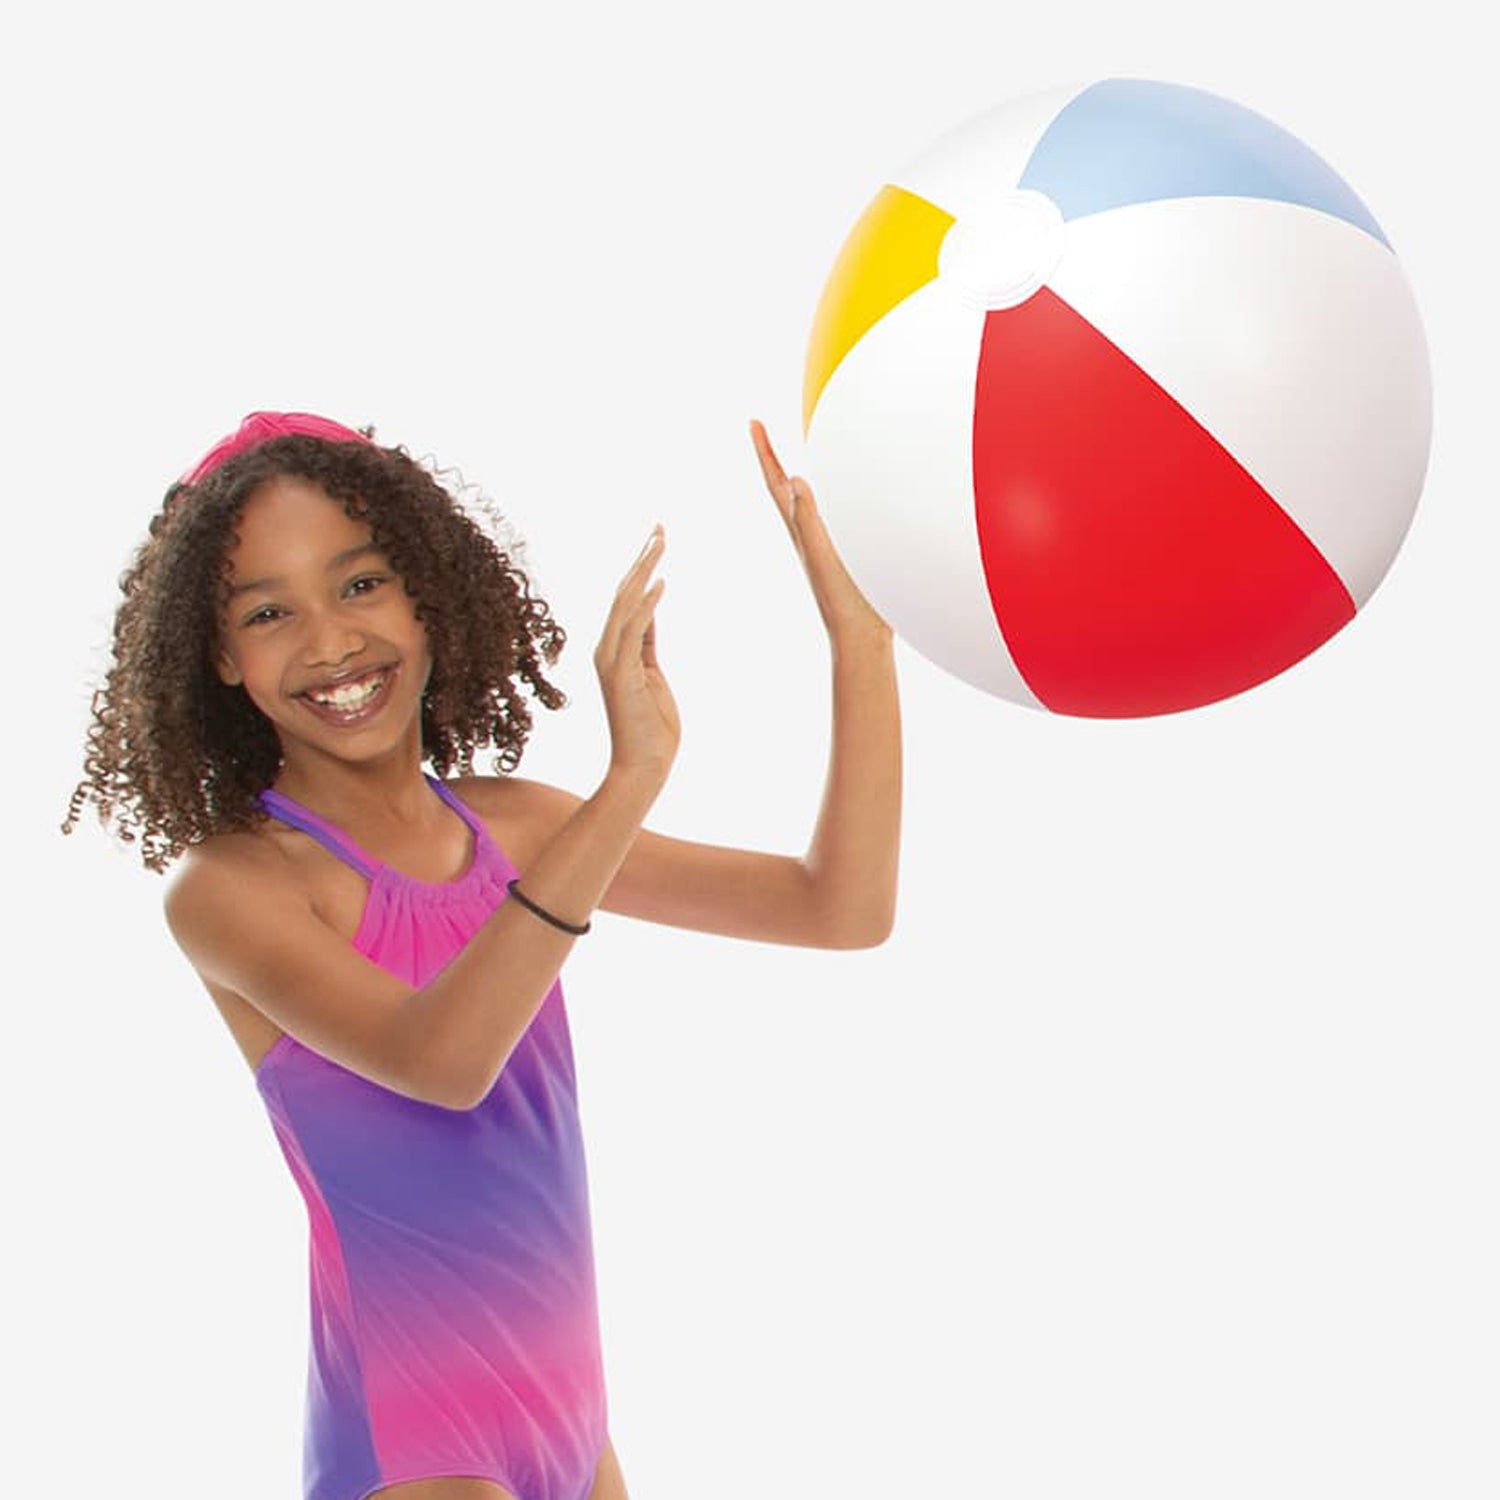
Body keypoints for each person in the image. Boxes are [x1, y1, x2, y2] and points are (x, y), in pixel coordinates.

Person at [62, 410, 902, 1500]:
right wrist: (625, 784)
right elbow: (441, 1060)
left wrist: (863, 642)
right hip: (412, 1449)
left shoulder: (520, 829)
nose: (328, 641)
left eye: (360, 584)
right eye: (269, 612)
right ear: (219, 657)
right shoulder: (237, 889)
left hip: (574, 1428)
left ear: (425, 591)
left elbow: (838, 907)